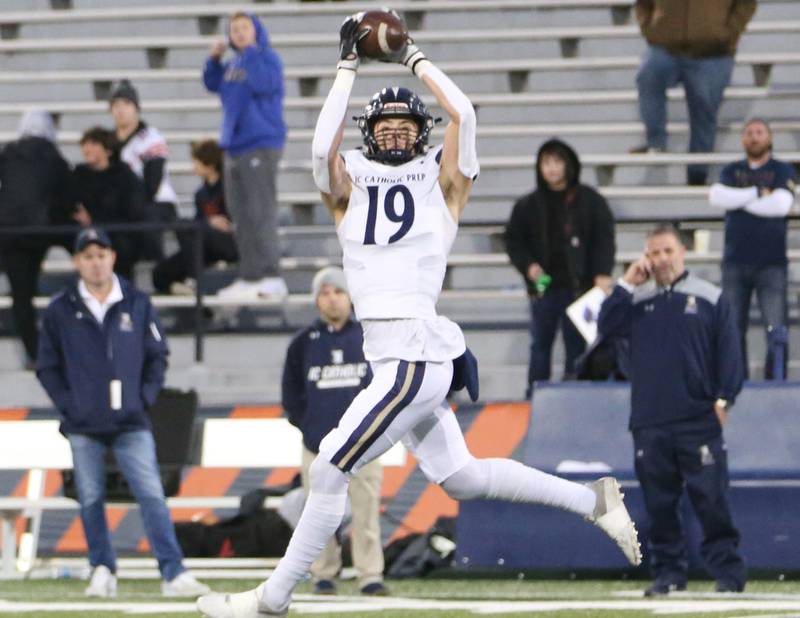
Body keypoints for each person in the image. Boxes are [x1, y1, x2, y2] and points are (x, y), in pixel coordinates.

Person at [197, 13, 640, 617]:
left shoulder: (443, 182)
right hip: (398, 355)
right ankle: (592, 501)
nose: (401, 136)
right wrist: (347, 66)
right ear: (372, 132)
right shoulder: (350, 180)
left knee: (328, 469)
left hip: (409, 354)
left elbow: (467, 116)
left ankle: (270, 600)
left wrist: (413, 58)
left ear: (423, 132)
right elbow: (319, 147)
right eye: (390, 126)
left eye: (410, 126)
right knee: (460, 476)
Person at [36, 227, 210, 599]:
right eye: (88, 256)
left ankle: (173, 571)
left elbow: (157, 356)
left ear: (112, 257)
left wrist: (141, 398)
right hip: (83, 424)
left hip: (131, 420)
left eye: (101, 254)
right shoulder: (61, 309)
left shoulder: (136, 302)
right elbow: (47, 366)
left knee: (151, 493)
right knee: (90, 497)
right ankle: (102, 568)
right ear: (77, 262)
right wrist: (71, 404)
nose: (96, 262)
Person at [597, 223, 746, 596]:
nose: (661, 259)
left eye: (667, 251)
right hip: (649, 419)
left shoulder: (710, 297)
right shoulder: (634, 299)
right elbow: (603, 327)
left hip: (699, 419)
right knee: (659, 505)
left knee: (712, 501)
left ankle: (728, 575)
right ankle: (669, 574)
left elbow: (730, 354)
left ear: (683, 251)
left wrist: (724, 400)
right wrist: (626, 284)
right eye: (653, 252)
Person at [282, 266, 387, 597]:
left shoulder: (369, 337)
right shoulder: (302, 344)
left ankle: (369, 574)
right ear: (316, 301)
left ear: (350, 297)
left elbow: (383, 387)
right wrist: (309, 427)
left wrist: (373, 431)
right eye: (325, 293)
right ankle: (323, 573)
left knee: (366, 513)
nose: (332, 299)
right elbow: (291, 394)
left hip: (364, 444)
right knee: (318, 514)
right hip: (319, 445)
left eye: (338, 292)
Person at [504, 139, 615, 395]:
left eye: (557, 162)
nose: (552, 169)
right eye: (546, 163)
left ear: (569, 164)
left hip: (581, 288)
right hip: (544, 288)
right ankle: (535, 396)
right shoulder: (528, 205)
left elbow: (604, 239)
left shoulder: (591, 201)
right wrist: (529, 267)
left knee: (577, 346)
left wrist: (602, 274)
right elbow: (513, 240)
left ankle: (575, 394)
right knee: (540, 345)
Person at [202, 12, 288, 300]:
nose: (238, 33)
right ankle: (251, 275)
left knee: (260, 211)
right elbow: (213, 84)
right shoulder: (233, 63)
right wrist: (213, 60)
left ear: (256, 30)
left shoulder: (266, 58)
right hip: (235, 145)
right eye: (233, 29)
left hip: (260, 142)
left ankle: (272, 275)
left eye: (244, 27)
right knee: (240, 214)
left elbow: (265, 84)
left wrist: (251, 52)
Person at [632, 0, 756, 185]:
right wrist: (651, 31)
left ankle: (697, 176)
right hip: (666, 46)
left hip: (714, 53)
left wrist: (727, 34)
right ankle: (656, 144)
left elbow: (746, 3)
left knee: (704, 111)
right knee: (647, 76)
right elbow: (643, 3)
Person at [709, 118, 797, 379]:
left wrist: (739, 199)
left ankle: (777, 384)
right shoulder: (731, 169)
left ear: (769, 138)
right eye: (748, 132)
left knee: (776, 328)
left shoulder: (782, 169)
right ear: (742, 139)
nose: (754, 137)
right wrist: (759, 194)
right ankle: (736, 382)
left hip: (771, 263)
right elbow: (716, 196)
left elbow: (781, 205)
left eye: (759, 132)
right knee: (732, 329)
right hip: (735, 261)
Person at [0, 110, 75, 367]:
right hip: (38, 232)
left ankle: (34, 353)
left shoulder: (8, 152)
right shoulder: (53, 157)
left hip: (8, 233)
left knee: (21, 296)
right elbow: (66, 198)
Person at [152, 140, 238, 295]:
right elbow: (200, 223)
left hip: (229, 242)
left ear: (210, 164)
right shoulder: (201, 193)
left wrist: (212, 224)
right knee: (159, 273)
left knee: (186, 225)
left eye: (196, 162)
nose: (193, 166)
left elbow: (232, 222)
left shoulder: (230, 189)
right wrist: (209, 222)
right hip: (204, 247)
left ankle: (194, 280)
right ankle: (192, 291)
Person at [109, 79, 178, 260]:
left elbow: (152, 183)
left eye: (126, 103)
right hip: (126, 204)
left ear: (136, 108)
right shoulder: (108, 142)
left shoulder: (151, 138)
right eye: (116, 104)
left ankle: (159, 273)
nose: (120, 109)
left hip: (157, 203)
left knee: (145, 221)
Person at [72, 127, 147, 281]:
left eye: (94, 144)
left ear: (108, 150)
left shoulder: (125, 175)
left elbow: (133, 211)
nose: (87, 148)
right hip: (88, 238)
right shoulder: (78, 175)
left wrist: (94, 219)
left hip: (120, 239)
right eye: (85, 144)